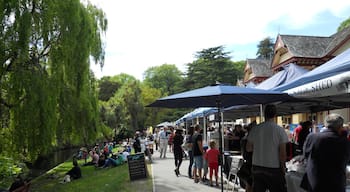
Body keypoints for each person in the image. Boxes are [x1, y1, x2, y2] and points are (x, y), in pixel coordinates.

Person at [302, 113, 350, 192]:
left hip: (314, 181)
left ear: (326, 124)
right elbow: (346, 160)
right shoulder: (343, 141)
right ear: (340, 127)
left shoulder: (312, 137)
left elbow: (305, 155)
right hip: (335, 184)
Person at [246, 104, 288, 192]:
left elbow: (248, 148)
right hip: (273, 167)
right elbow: (282, 153)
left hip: (257, 166)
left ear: (264, 114)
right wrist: (283, 166)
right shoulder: (279, 130)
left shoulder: (255, 129)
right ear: (275, 115)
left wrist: (260, 148)